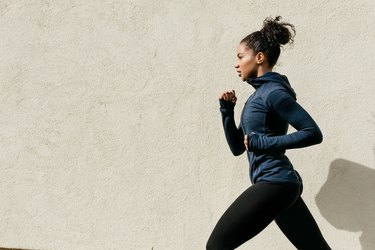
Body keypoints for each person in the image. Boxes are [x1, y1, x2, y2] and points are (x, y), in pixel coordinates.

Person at [206, 16, 331, 250]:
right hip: (280, 184)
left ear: (260, 57)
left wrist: (263, 142)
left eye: (240, 56)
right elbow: (237, 147)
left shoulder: (273, 93)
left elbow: (313, 133)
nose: (236, 63)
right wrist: (226, 111)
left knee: (217, 245)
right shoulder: (256, 98)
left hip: (275, 181)